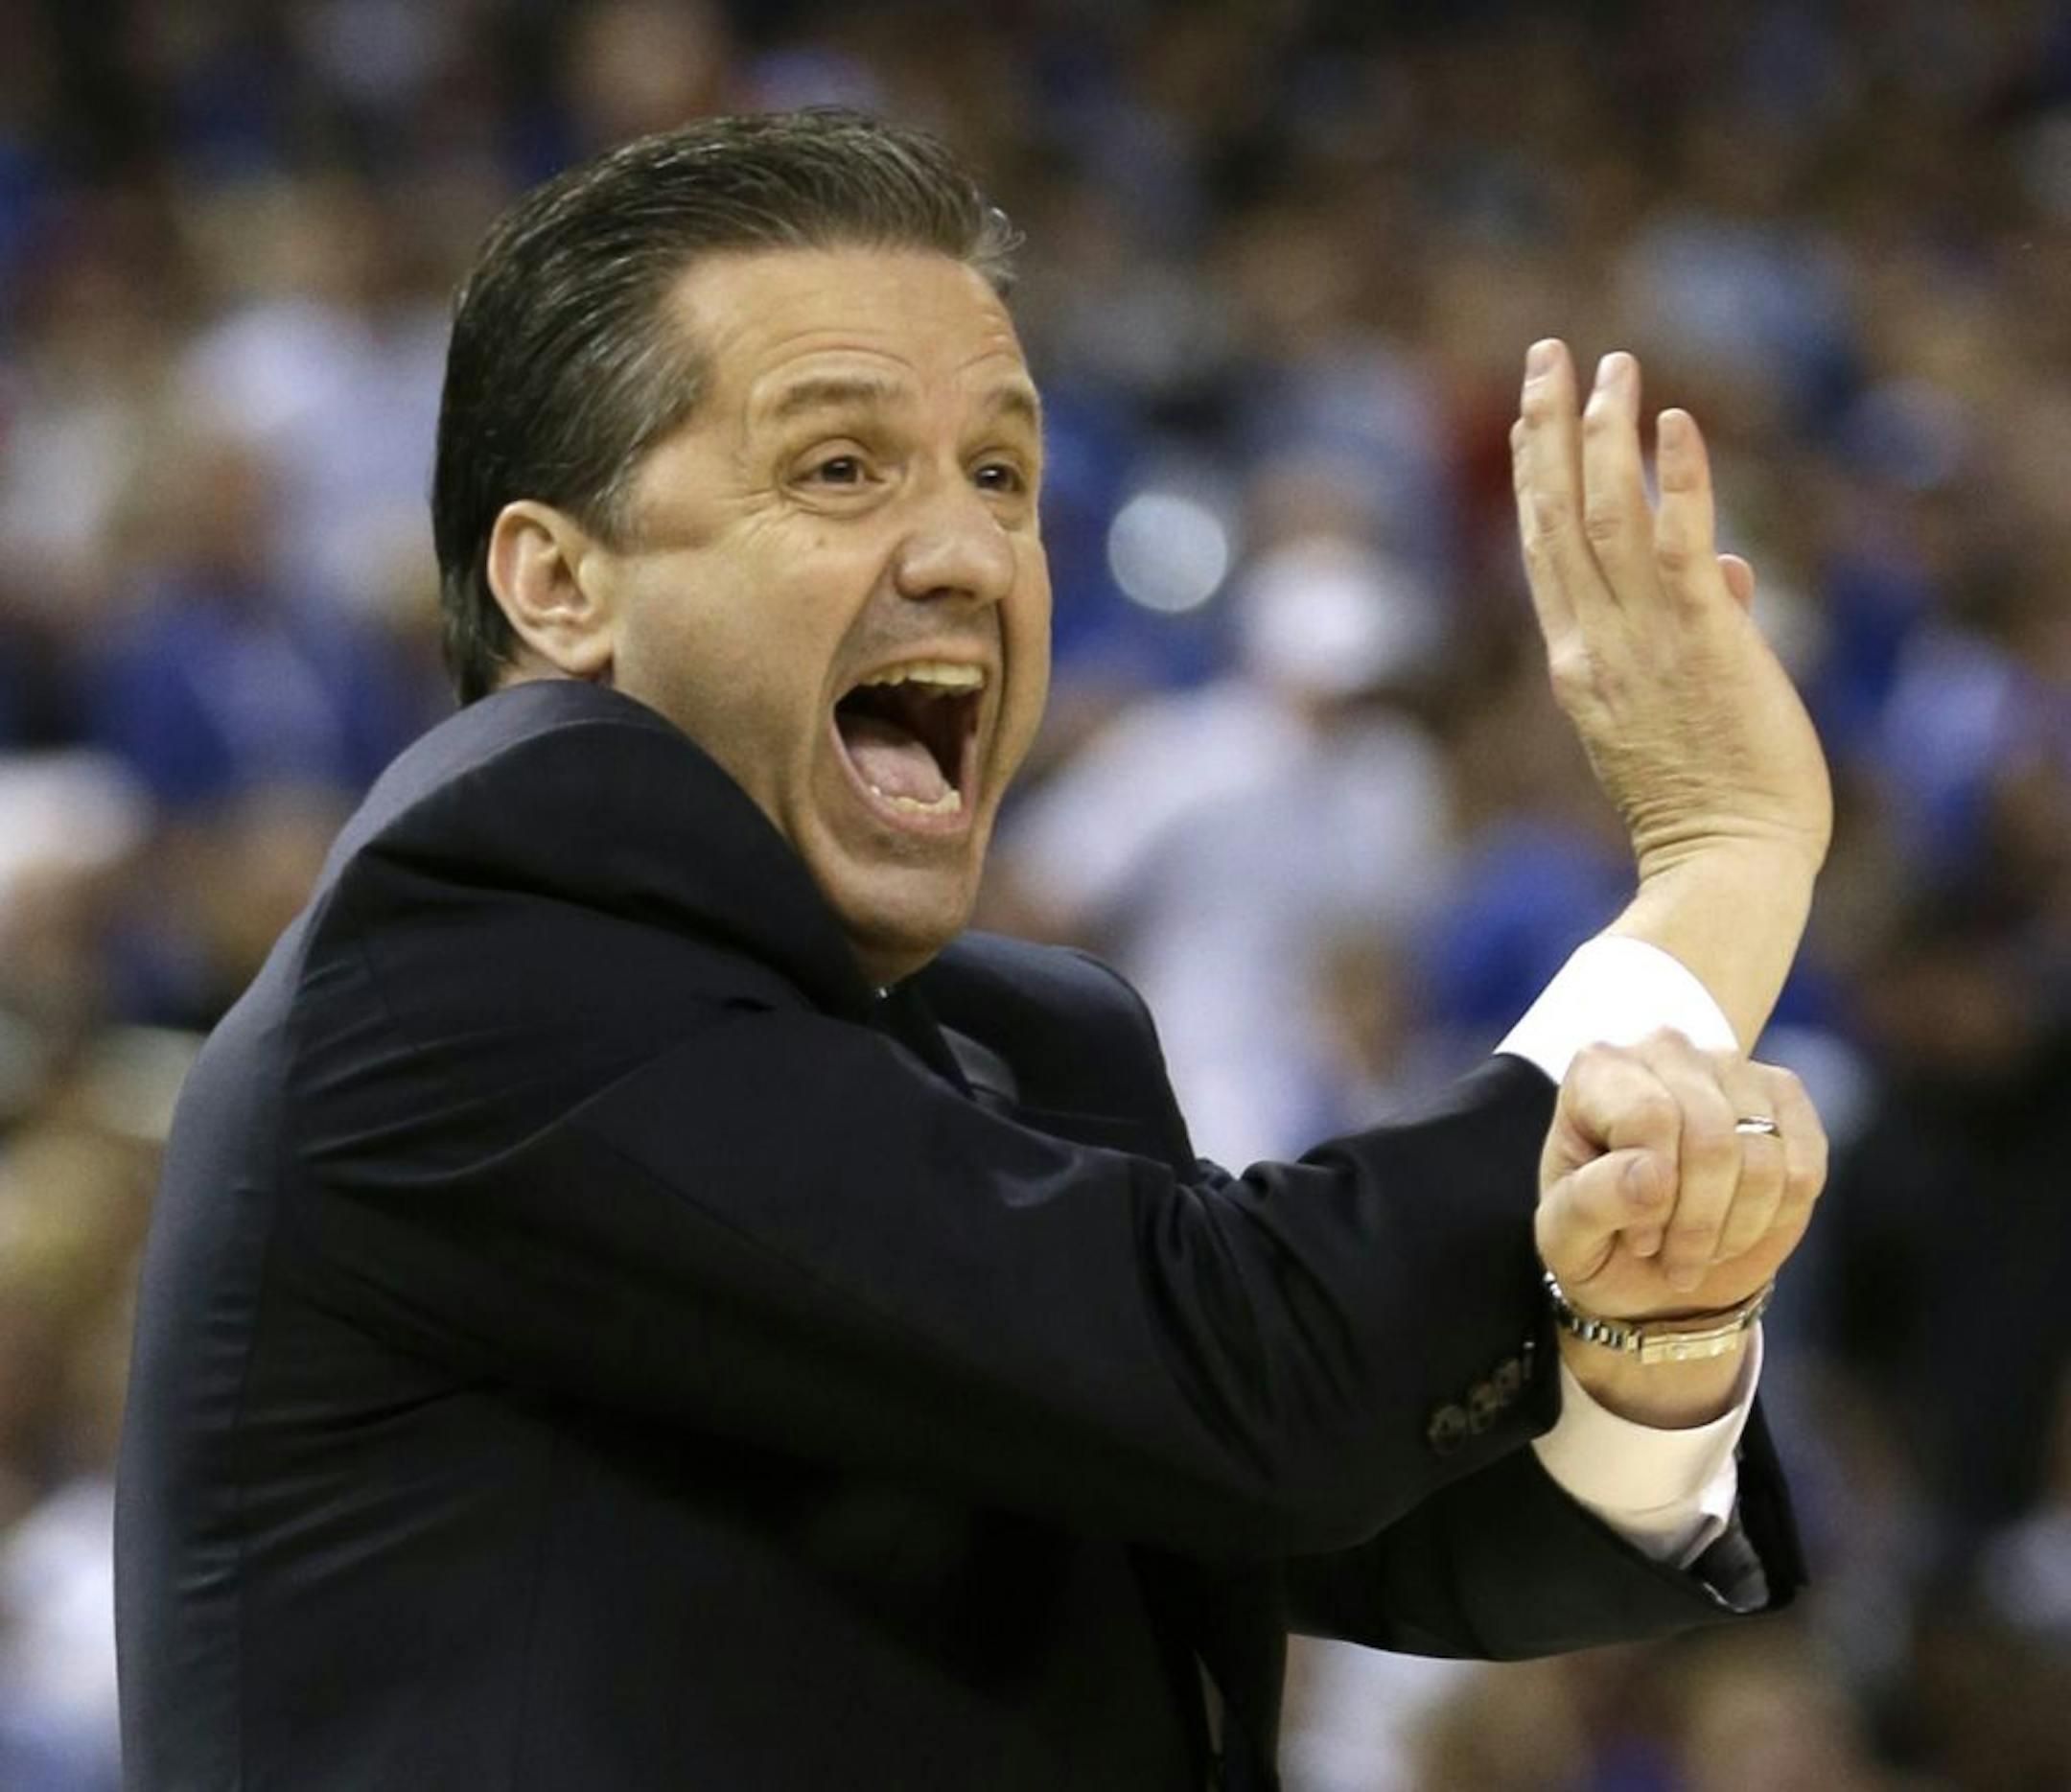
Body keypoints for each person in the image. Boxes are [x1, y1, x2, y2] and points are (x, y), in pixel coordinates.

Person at [114, 111, 1834, 1791]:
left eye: (1001, 472)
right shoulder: (472, 956)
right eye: (841, 466)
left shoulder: (1025, 1041)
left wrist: (1646, 1330)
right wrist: (1721, 865)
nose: (967, 551)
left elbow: (1356, 1525)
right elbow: (1258, 1382)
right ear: (561, 584)